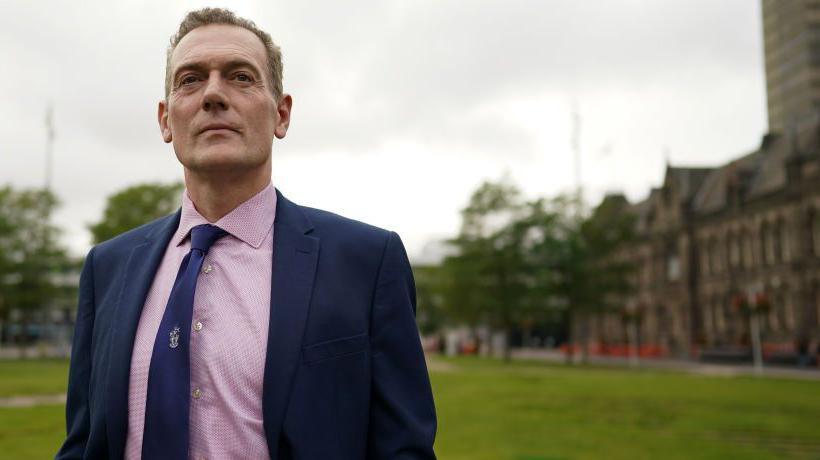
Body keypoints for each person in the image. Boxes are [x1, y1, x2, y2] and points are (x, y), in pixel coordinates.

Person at [56, 8, 437, 459]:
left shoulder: (368, 262)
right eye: (191, 79)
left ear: (281, 113)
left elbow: (403, 449)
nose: (213, 94)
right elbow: (83, 443)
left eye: (240, 77)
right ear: (165, 120)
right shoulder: (107, 268)